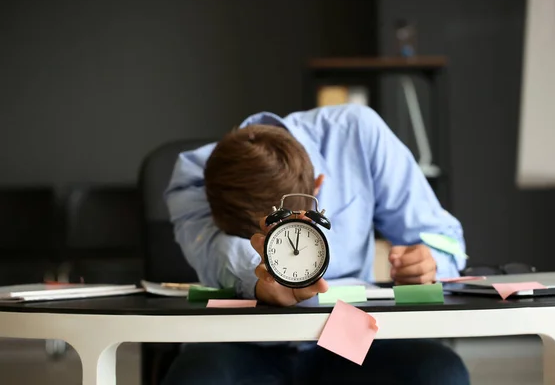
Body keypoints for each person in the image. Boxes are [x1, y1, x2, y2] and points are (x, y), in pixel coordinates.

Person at [162, 104, 470, 384]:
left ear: (317, 189)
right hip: (242, 336)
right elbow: (214, 252)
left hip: (345, 331)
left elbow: (444, 239)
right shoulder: (195, 177)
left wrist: (428, 261)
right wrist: (259, 279)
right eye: (261, 240)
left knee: (441, 374)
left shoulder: (357, 133)